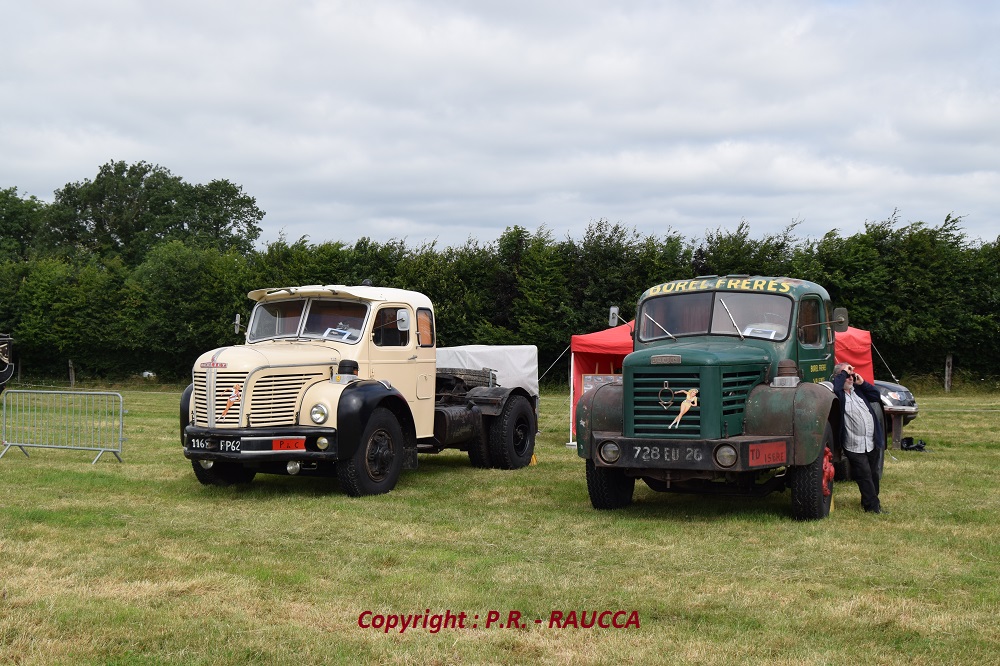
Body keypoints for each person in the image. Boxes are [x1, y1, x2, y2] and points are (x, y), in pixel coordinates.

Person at [832, 362, 886, 514]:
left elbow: (876, 396)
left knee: (874, 473)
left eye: (851, 375)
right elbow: (836, 387)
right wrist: (844, 374)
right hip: (854, 444)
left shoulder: (858, 391)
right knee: (864, 475)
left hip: (871, 441)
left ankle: (868, 501)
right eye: (846, 375)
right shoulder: (839, 395)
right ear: (839, 376)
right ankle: (873, 508)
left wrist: (861, 382)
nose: (850, 378)